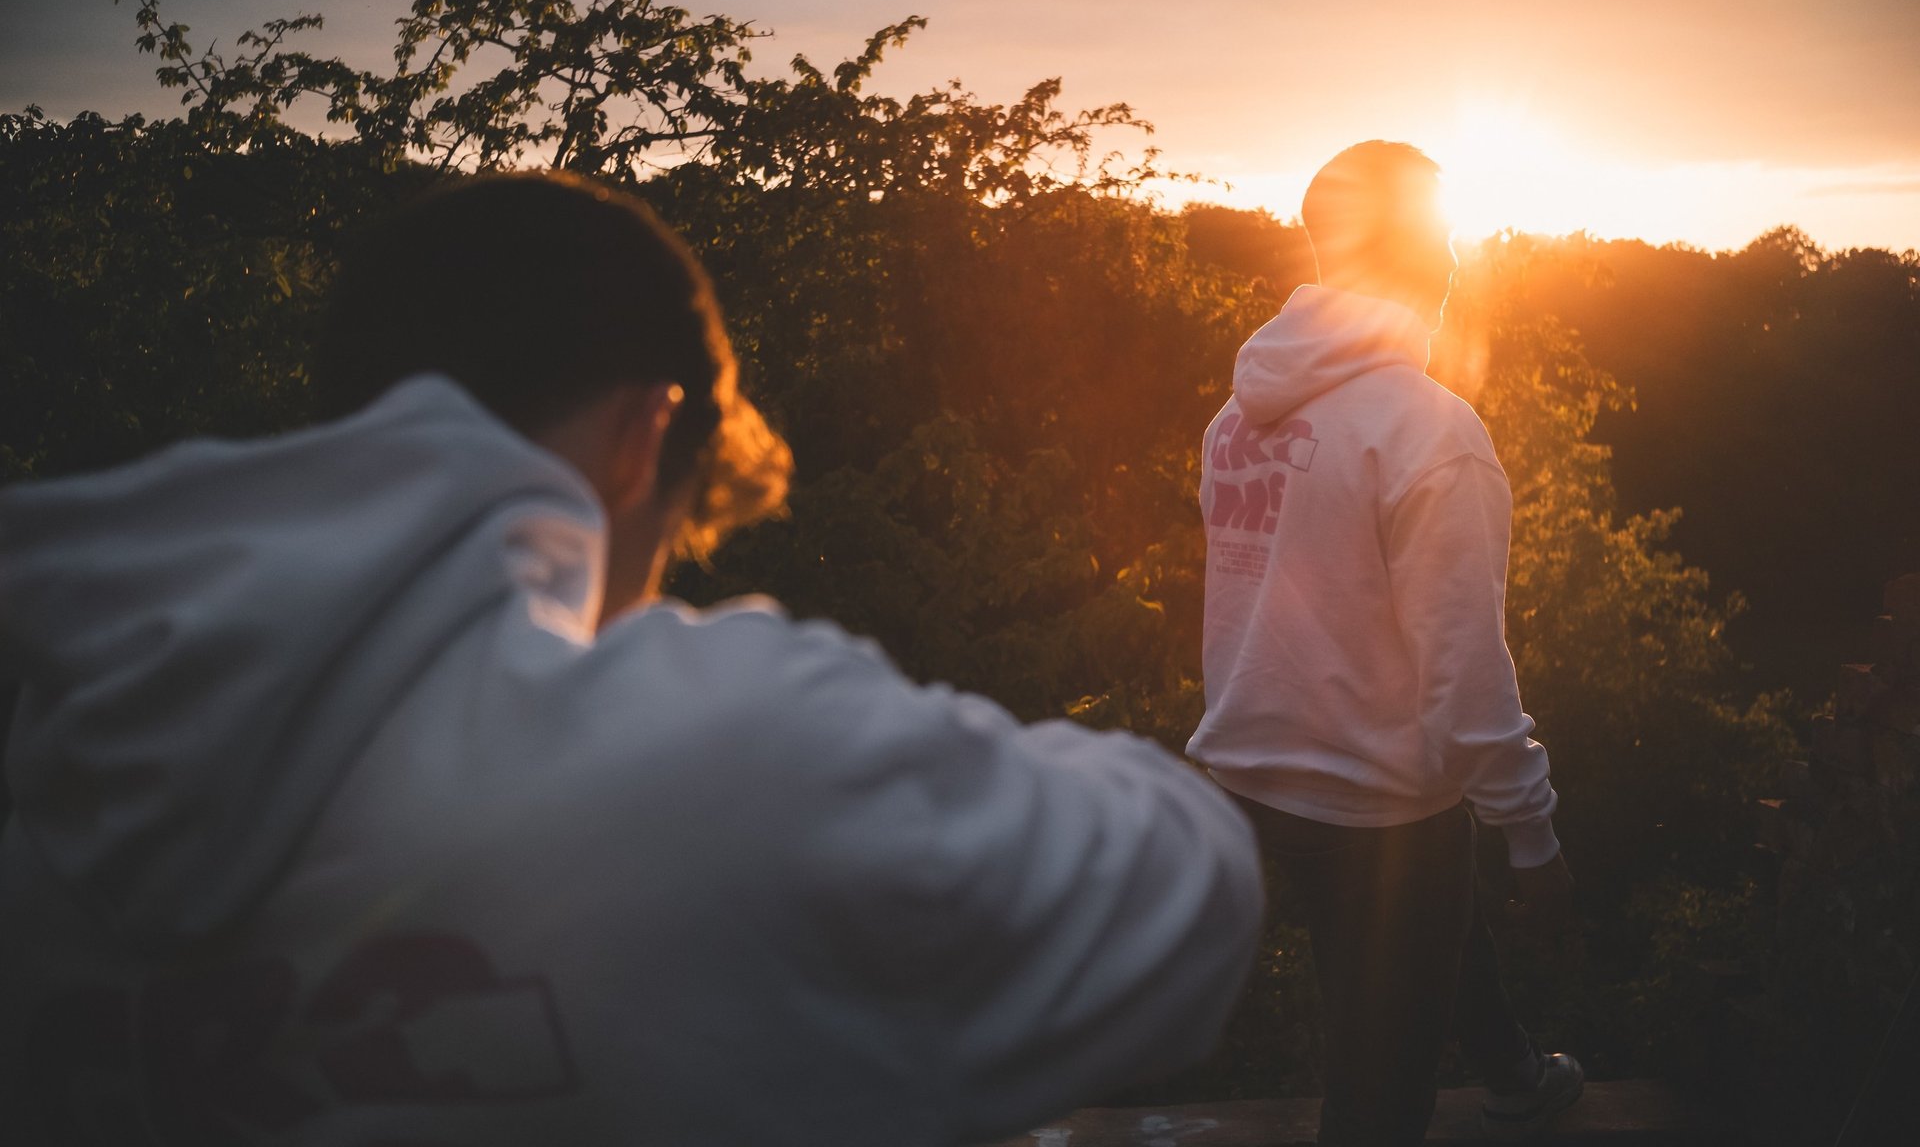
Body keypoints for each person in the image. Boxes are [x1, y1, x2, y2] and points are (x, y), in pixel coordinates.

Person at [0, 171, 1263, 1146]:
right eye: (675, 520)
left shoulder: (46, 693)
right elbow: (1191, 892)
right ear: (639, 435)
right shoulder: (723, 751)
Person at [1187, 141, 1583, 1145]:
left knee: (1435, 905)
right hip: (1372, 811)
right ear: (1430, 260)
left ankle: (1515, 1072)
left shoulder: (1236, 415)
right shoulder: (1430, 432)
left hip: (1239, 780)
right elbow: (1463, 676)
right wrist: (1532, 835)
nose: (1456, 262)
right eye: (1443, 238)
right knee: (1376, 1103)